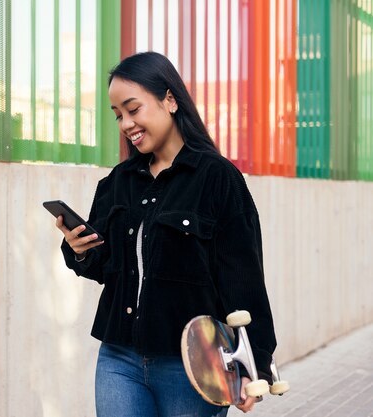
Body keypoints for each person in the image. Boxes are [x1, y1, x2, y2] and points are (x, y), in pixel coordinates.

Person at [54, 51, 277, 417]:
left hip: (193, 366)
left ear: (170, 100)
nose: (126, 123)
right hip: (118, 359)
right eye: (118, 115)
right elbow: (103, 266)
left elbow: (244, 279)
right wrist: (79, 250)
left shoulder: (218, 179)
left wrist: (257, 365)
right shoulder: (118, 182)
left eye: (133, 109)